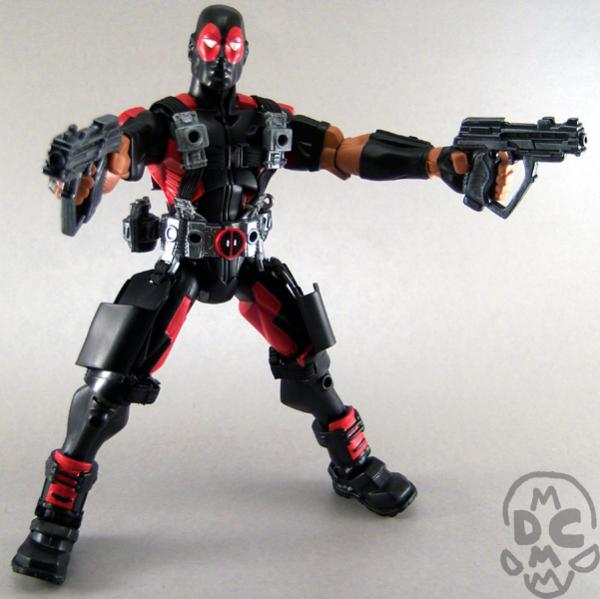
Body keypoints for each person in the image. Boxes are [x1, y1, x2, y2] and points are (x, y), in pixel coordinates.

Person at [12, 4, 512, 584]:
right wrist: (88, 172)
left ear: (244, 53)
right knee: (108, 389)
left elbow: (344, 151)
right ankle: (56, 512)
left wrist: (435, 162)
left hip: (248, 261)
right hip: (184, 264)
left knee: (310, 368)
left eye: (231, 48)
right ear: (192, 49)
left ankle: (353, 466)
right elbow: (124, 152)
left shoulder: (270, 120)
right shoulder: (164, 120)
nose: (220, 58)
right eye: (210, 45)